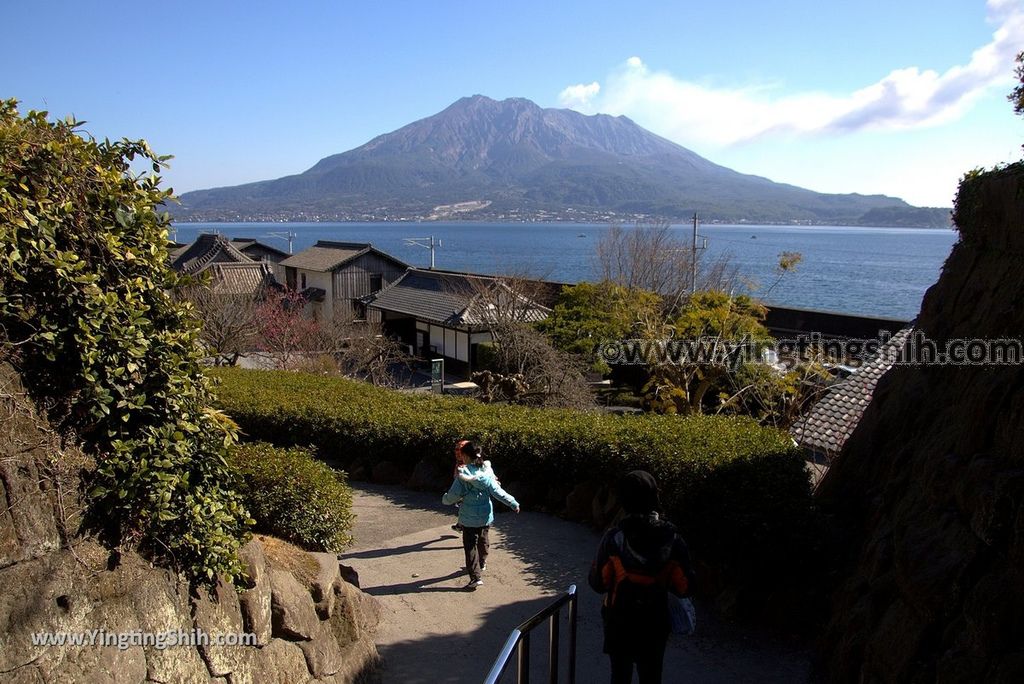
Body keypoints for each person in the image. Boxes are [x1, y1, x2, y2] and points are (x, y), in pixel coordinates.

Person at [588, 470, 694, 684]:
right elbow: (686, 587)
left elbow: (598, 582)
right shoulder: (673, 539)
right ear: (655, 496)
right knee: (652, 675)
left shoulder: (614, 538)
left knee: (619, 675)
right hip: (654, 621)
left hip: (619, 619)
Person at [442, 441, 520, 590]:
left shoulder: (463, 475)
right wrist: (513, 503)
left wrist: (445, 499)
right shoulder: (487, 472)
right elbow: (498, 492)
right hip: (485, 516)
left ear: (464, 456)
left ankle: (475, 578)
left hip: (468, 518)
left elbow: (452, 496)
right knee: (483, 541)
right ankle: (482, 562)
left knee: (470, 547)